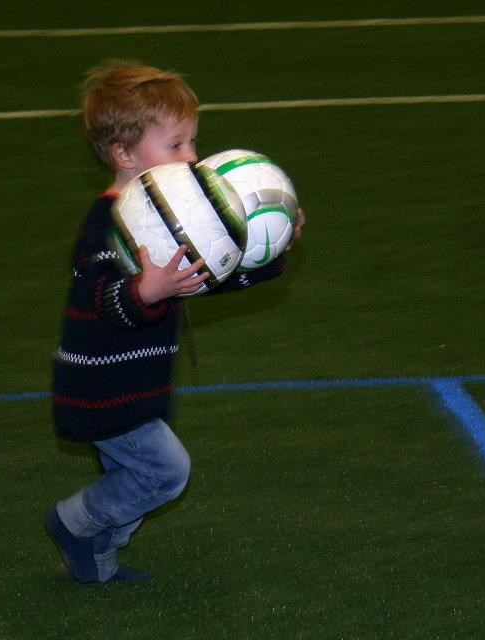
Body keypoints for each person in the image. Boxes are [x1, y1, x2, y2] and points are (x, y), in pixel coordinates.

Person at [45, 59, 304, 583]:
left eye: (192, 142)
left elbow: (206, 275)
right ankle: (74, 523)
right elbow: (104, 301)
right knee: (164, 472)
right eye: (176, 145)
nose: (192, 157)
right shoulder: (109, 223)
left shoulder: (176, 212)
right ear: (123, 154)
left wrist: (269, 253)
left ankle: (96, 558)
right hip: (100, 387)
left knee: (130, 476)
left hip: (139, 381)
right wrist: (147, 290)